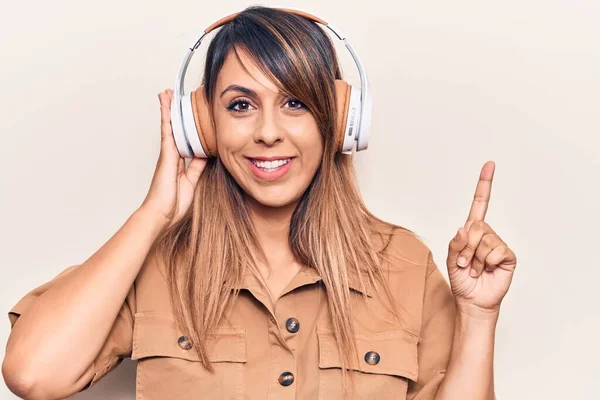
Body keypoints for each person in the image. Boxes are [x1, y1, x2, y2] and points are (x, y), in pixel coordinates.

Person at [2, 6, 517, 400]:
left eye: (295, 103)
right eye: (241, 105)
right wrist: (154, 213)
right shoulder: (155, 265)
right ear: (202, 127)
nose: (268, 132)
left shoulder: (403, 264)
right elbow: (33, 373)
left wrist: (478, 316)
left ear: (338, 122)